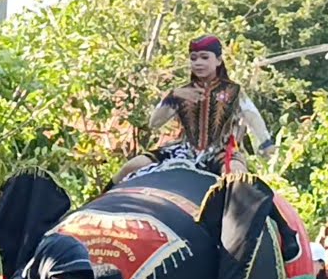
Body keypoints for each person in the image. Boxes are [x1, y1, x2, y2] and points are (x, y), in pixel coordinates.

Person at [113, 35, 273, 183]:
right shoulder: (181, 92)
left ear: (218, 61)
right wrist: (172, 96)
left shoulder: (234, 91)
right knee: (129, 167)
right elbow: (154, 123)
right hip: (183, 150)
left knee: (238, 179)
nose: (198, 63)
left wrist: (266, 144)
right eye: (193, 58)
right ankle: (96, 201)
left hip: (220, 153)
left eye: (204, 57)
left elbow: (252, 116)